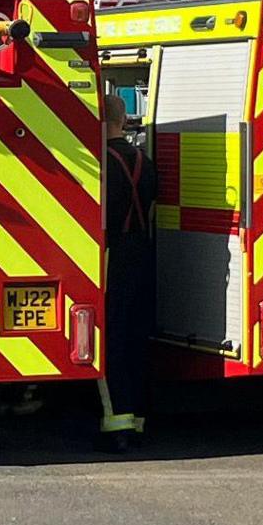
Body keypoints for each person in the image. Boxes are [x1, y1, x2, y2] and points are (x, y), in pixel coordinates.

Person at [95, 117, 156, 453]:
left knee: (111, 337)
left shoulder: (102, 162)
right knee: (136, 335)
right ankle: (139, 417)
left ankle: (117, 421)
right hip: (142, 252)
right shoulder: (144, 162)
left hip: (112, 254)